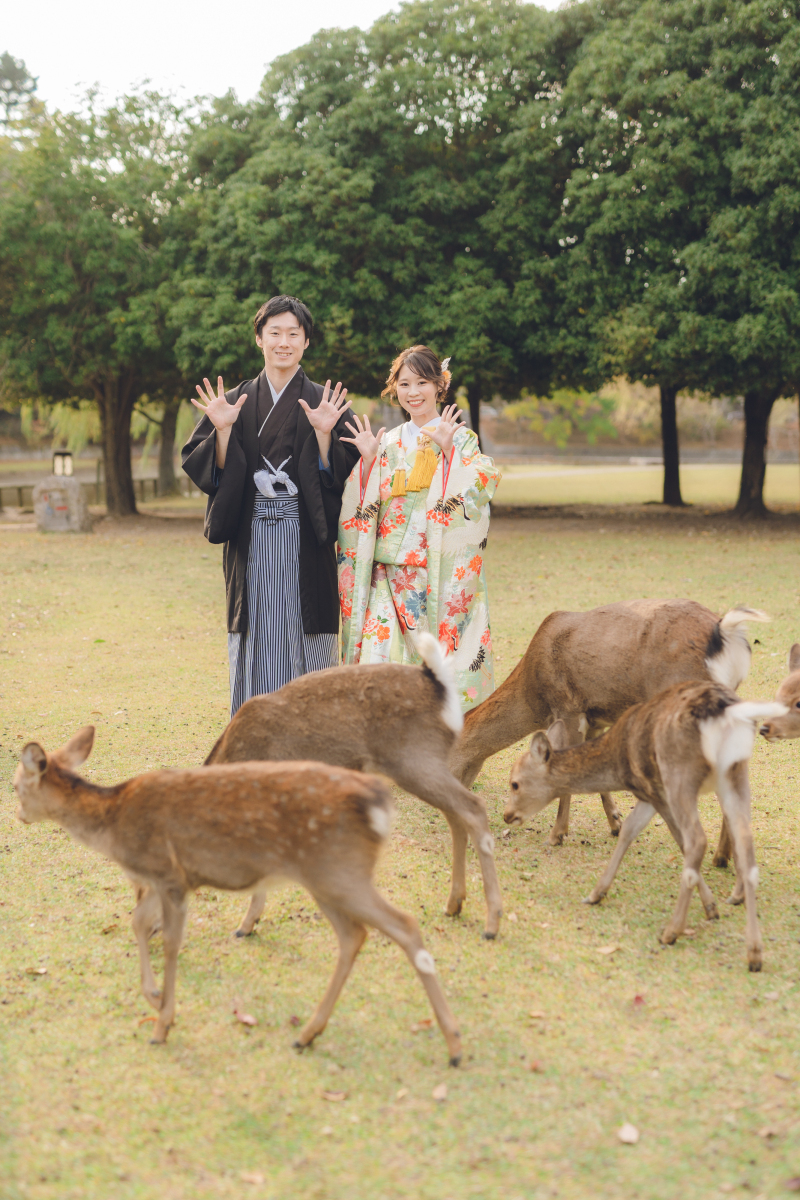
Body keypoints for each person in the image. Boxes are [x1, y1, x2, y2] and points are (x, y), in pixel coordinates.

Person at [181, 295, 360, 715]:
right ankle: (256, 737)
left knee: (308, 634)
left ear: (306, 341)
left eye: (293, 334)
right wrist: (222, 433)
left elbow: (347, 473)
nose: (284, 341)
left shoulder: (325, 402)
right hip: (252, 536)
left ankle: (313, 740)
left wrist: (323, 436)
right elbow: (203, 465)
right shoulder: (236, 402)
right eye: (274, 332)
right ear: (259, 338)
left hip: (304, 539)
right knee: (255, 632)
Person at [337, 344, 500, 710]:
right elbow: (362, 504)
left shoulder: (460, 437)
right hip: (384, 568)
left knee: (431, 663)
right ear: (395, 388)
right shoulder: (388, 442)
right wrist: (366, 463)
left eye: (422, 383)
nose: (413, 393)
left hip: (434, 570)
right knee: (378, 655)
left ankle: (434, 739)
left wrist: (451, 456)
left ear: (440, 386)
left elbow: (482, 484)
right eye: (405, 383)